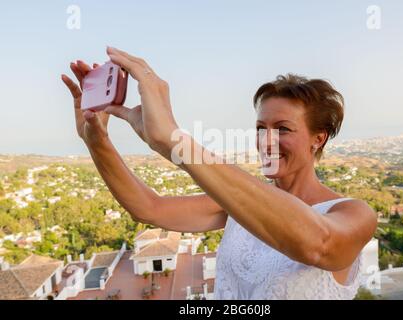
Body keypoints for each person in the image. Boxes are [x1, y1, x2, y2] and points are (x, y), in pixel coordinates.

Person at [61, 47, 377, 299]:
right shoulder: (240, 201)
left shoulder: (353, 213)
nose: (266, 140)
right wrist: (97, 141)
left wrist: (174, 141)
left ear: (318, 138)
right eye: (260, 127)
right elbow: (149, 209)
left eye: (282, 129)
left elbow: (318, 244)